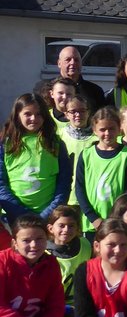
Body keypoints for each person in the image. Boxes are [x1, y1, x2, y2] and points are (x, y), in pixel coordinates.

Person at [0, 93, 71, 222]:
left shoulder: (56, 144)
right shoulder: (5, 144)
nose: (34, 118)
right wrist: (20, 213)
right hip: (14, 217)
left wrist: (48, 213)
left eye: (39, 114)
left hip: (48, 218)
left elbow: (64, 182)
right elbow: (1, 184)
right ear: (17, 115)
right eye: (28, 114)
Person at [75, 107, 127, 239]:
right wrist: (94, 218)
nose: (107, 133)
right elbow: (79, 189)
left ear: (119, 128)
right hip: (91, 225)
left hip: (119, 224)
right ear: (95, 130)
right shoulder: (86, 155)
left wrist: (116, 219)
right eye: (102, 129)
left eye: (112, 128)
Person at [47, 205, 91, 317]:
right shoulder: (44, 254)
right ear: (51, 228)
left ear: (78, 228)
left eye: (71, 226)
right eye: (61, 225)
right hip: (54, 307)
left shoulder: (85, 244)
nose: (66, 230)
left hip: (80, 304)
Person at [58, 95, 96, 205]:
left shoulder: (98, 138)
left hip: (90, 198)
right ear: (66, 114)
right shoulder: (59, 136)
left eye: (82, 111)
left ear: (88, 112)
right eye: (73, 111)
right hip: (66, 197)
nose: (78, 115)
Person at [56, 46, 106, 112]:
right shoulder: (48, 88)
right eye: (68, 59)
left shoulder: (95, 91)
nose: (73, 63)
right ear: (59, 63)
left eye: (76, 60)